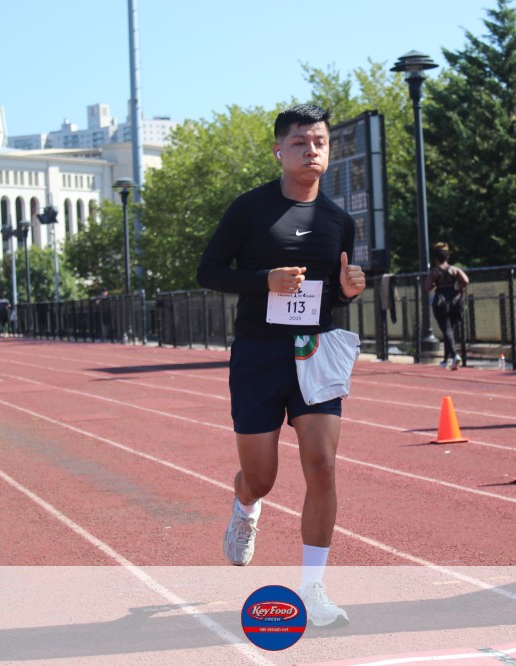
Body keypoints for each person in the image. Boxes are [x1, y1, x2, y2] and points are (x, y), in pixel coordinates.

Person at [197, 103, 365, 628]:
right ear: (278, 150)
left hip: (315, 351)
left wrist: (347, 292)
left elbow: (332, 297)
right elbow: (208, 271)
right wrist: (262, 281)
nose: (311, 150)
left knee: (323, 466)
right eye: (299, 142)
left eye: (319, 142)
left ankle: (313, 589)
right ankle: (245, 505)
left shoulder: (339, 221)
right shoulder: (250, 210)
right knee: (262, 477)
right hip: (259, 355)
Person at [424, 242, 469, 370]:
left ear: (436, 259)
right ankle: (445, 360)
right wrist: (459, 288)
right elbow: (466, 280)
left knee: (446, 330)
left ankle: (454, 356)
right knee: (449, 331)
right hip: (455, 299)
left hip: (441, 300)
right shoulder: (454, 269)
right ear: (447, 257)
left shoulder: (435, 272)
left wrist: (434, 284)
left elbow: (427, 287)